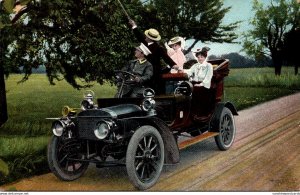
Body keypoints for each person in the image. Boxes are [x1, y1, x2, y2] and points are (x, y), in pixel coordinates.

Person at [128, 19, 178, 94]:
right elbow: (138, 35)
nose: (145, 36)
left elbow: (166, 57)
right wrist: (133, 25)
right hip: (143, 69)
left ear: (150, 38)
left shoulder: (158, 48)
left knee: (155, 91)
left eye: (146, 36)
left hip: (154, 72)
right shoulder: (144, 42)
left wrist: (173, 64)